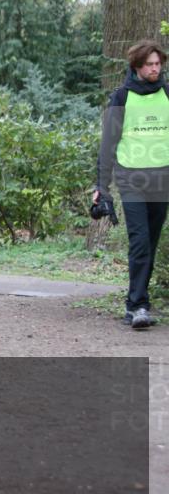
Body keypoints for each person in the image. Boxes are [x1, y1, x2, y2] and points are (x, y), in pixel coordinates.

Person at [94, 39, 169, 329]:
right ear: (137, 66)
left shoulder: (167, 94)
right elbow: (108, 145)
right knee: (139, 240)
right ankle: (137, 305)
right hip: (131, 179)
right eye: (149, 64)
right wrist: (101, 186)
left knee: (150, 241)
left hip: (161, 178)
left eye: (158, 64)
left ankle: (136, 302)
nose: (155, 69)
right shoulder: (122, 97)